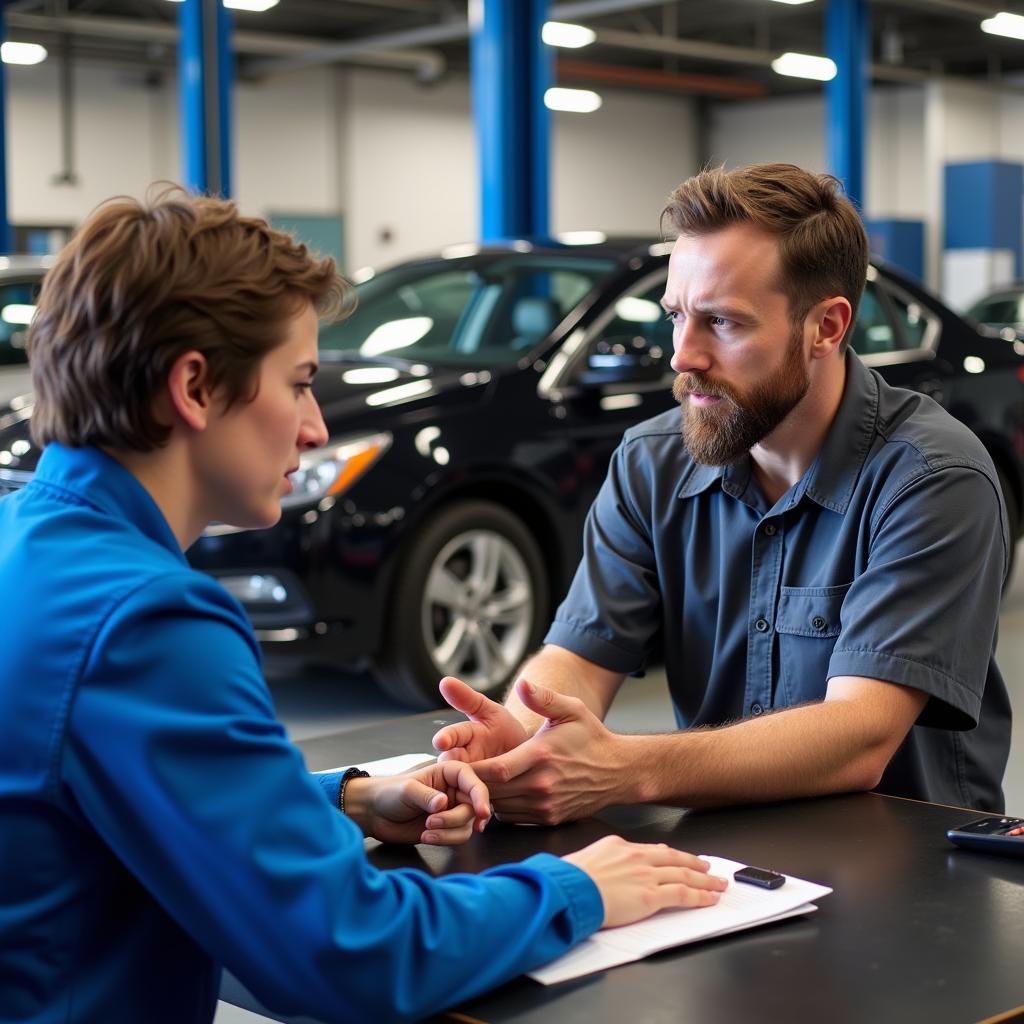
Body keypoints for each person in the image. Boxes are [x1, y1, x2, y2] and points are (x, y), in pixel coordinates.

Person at [0, 187, 728, 1024]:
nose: (313, 426)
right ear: (195, 387)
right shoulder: (145, 622)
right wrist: (577, 887)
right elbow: (349, 952)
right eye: (300, 382)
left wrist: (347, 798)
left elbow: (128, 795)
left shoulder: (24, 543)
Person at [433, 162, 1012, 823]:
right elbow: (580, 657)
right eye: (676, 316)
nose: (683, 355)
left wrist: (623, 769)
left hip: (914, 876)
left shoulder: (931, 479)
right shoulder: (652, 463)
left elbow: (859, 736)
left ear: (826, 326)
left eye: (722, 323)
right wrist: (521, 734)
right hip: (726, 854)